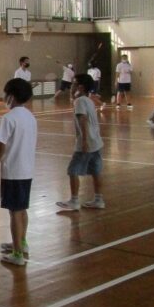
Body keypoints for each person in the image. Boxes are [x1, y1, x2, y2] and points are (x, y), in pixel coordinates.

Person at [0, 78, 37, 267]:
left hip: (13, 172)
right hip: (27, 170)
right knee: (21, 209)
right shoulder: (30, 117)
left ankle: (17, 254)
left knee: (14, 212)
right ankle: (21, 243)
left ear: (11, 96)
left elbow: (1, 148)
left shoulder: (9, 118)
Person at [56, 74, 106, 211]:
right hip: (96, 142)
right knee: (96, 171)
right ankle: (99, 200)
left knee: (73, 170)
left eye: (74, 83)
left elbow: (82, 119)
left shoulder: (79, 101)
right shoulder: (89, 100)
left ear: (81, 87)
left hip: (87, 141)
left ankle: (74, 201)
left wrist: (84, 141)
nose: (71, 86)